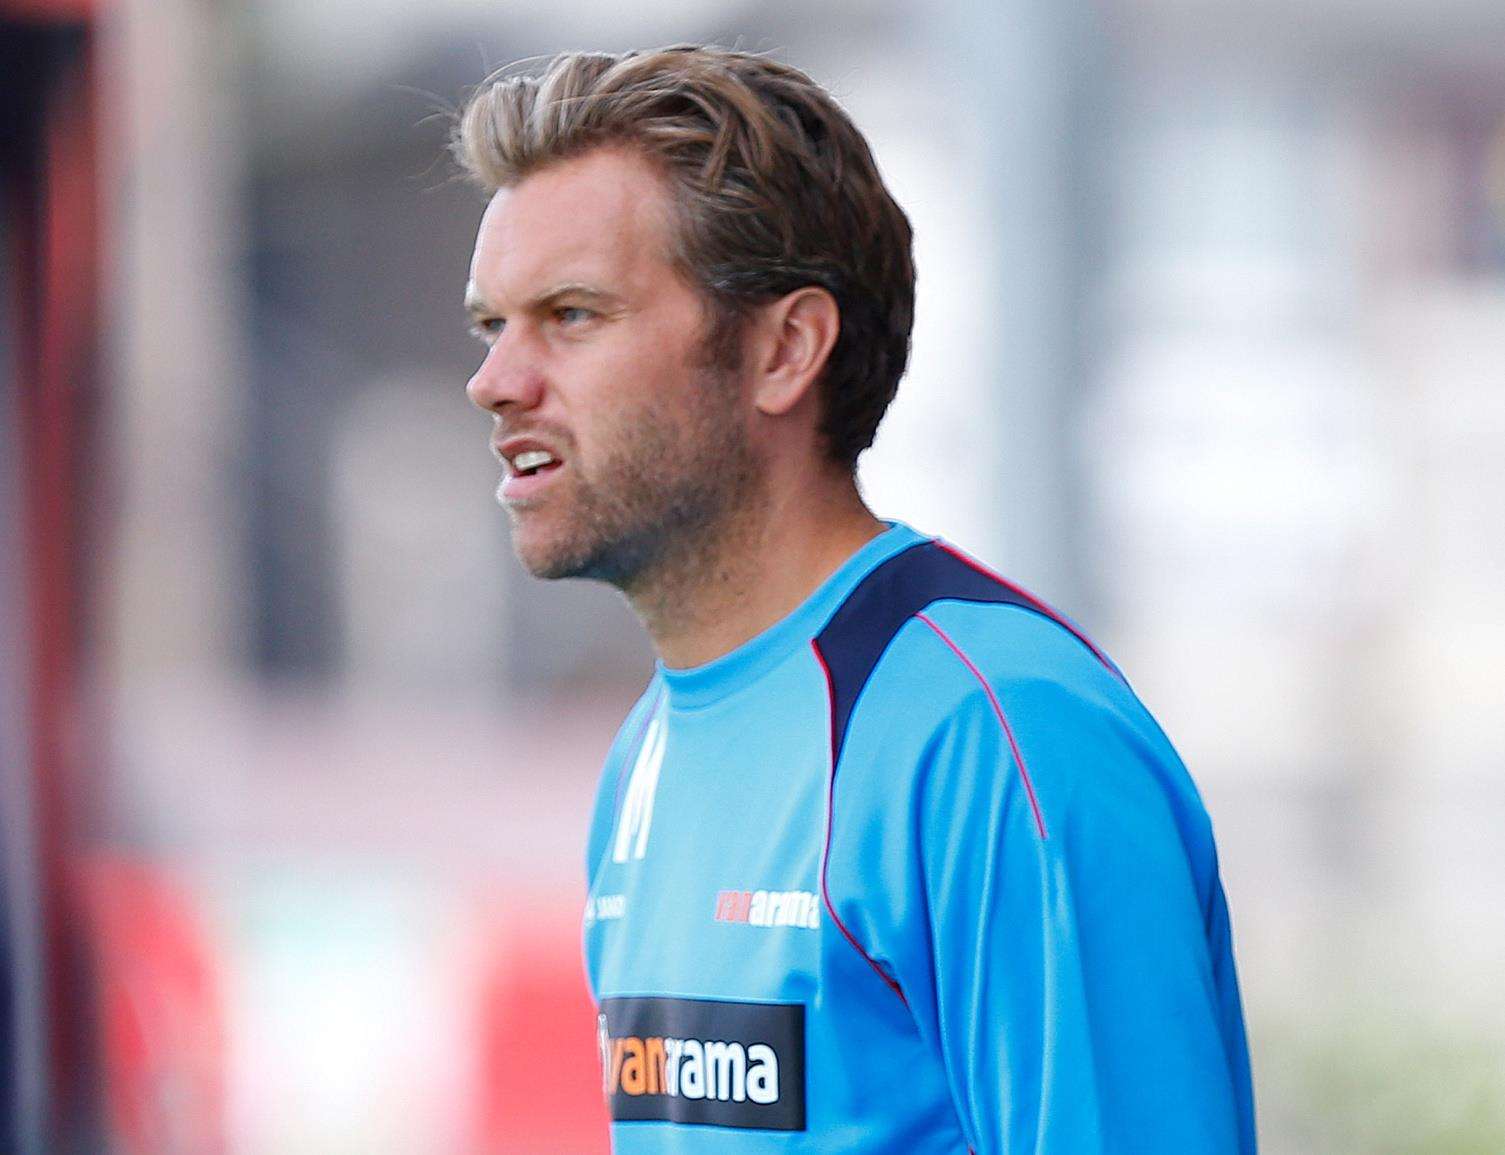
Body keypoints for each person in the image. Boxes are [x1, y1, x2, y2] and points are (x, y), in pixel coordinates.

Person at [454, 45, 1256, 1153]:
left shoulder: (994, 731)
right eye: (493, 325)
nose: (497, 380)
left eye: (573, 315)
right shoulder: (644, 755)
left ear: (784, 350)